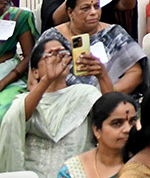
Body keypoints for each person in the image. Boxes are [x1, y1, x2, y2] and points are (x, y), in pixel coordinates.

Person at [0, 38, 102, 178]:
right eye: (51, 54)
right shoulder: (26, 102)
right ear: (35, 72)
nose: (58, 59)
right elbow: (18, 117)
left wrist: (102, 76)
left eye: (62, 53)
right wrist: (47, 79)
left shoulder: (84, 94)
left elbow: (110, 115)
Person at [37, 0, 145, 95]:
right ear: (70, 12)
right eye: (85, 8)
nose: (93, 12)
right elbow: (35, 78)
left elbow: (135, 73)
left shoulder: (113, 33)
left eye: (97, 6)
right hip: (63, 103)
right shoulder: (51, 38)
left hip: (109, 102)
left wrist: (106, 93)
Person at [55, 92, 137, 178]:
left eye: (132, 122)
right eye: (117, 123)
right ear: (97, 130)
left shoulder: (144, 165)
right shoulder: (72, 170)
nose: (127, 129)